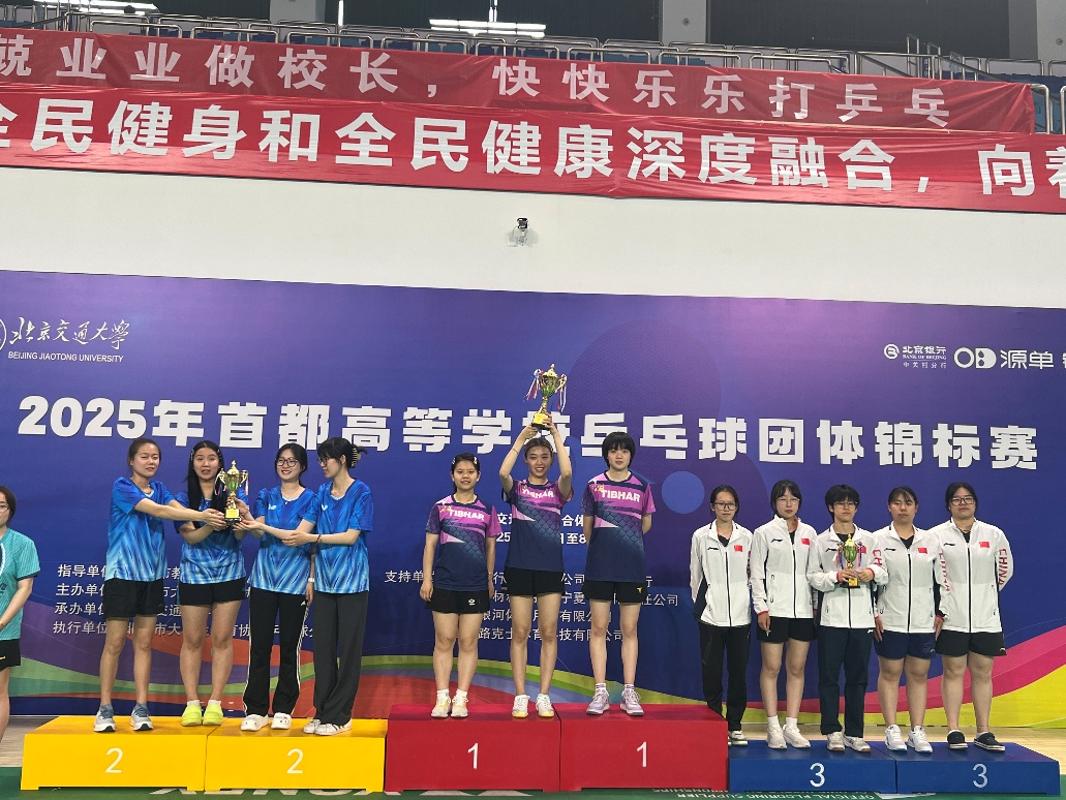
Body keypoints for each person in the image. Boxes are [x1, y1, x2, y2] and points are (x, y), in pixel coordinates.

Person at [96, 438, 225, 733]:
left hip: (152, 577)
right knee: (114, 643)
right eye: (144, 456)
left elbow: (174, 506)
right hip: (122, 575)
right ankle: (105, 708)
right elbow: (160, 512)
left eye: (155, 457)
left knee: (144, 644)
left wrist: (211, 513)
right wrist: (201, 515)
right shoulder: (122, 486)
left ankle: (141, 707)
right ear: (131, 461)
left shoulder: (162, 489)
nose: (151, 461)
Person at [287, 437, 374, 737]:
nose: (322, 464)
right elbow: (299, 532)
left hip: (353, 583)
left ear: (343, 460)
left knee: (348, 651)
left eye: (327, 459)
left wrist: (311, 539)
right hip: (324, 583)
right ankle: (323, 710)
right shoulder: (321, 492)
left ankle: (341, 715)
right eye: (321, 459)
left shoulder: (361, 492)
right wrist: (257, 524)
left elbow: (350, 536)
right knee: (323, 650)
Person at [236, 444, 316, 731]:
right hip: (263, 581)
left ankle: (283, 707)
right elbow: (258, 532)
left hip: (295, 583)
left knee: (289, 647)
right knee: (259, 646)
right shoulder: (265, 495)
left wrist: (311, 579)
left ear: (302, 466)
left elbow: (298, 537)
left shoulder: (312, 499)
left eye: (292, 461)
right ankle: (256, 709)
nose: (285, 465)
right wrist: (246, 514)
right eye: (281, 460)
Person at [931, 482, 1013, 752]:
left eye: (967, 498)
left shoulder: (993, 534)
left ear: (975, 502)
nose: (963, 503)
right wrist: (946, 603)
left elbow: (1004, 571)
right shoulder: (936, 536)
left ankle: (983, 731)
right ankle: (954, 729)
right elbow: (932, 574)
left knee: (983, 672)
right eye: (956, 499)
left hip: (985, 617)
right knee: (953, 671)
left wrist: (985, 594)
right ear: (948, 505)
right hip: (952, 616)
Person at [499, 422, 572, 719]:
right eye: (533, 457)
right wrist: (521, 440)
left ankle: (543, 695)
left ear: (550, 460)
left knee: (549, 632)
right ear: (526, 461)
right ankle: (520, 695)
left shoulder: (558, 490)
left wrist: (555, 435)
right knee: (520, 631)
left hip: (550, 569)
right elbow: (503, 473)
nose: (539, 462)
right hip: (519, 566)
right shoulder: (517, 489)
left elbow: (568, 473)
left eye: (544, 457)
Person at [807, 484, 886, 752]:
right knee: (829, 677)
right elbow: (813, 576)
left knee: (858, 678)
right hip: (832, 618)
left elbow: (883, 572)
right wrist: (835, 576)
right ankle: (832, 730)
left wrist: (870, 573)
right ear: (831, 507)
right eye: (841, 503)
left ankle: (854, 732)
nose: (846, 507)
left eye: (851, 503)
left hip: (862, 619)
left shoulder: (869, 540)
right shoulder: (821, 541)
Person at [582, 431, 656, 716]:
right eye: (613, 450)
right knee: (598, 628)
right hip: (600, 567)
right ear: (607, 455)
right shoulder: (594, 485)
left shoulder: (642, 486)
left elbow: (645, 524)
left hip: (631, 567)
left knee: (629, 629)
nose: (619, 455)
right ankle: (600, 691)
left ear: (630, 455)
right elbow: (588, 529)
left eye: (624, 450)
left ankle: (628, 691)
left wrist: (627, 543)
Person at [421, 453, 500, 719]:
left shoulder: (487, 509)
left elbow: (491, 548)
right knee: (444, 640)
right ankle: (442, 697)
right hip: (445, 582)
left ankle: (461, 697)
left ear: (478, 476)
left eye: (470, 472)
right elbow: (430, 545)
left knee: (468, 641)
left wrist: (489, 578)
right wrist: (428, 579)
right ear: (452, 475)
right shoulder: (440, 507)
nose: (465, 476)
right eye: (460, 472)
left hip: (475, 585)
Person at [175, 440, 247, 727]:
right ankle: (192, 703)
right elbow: (191, 538)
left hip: (229, 573)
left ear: (221, 463)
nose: (206, 464)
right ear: (192, 463)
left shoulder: (234, 493)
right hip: (194, 575)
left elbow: (240, 537)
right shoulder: (182, 498)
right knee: (192, 640)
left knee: (222, 639)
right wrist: (208, 525)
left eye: (212, 459)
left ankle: (216, 703)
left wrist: (240, 521)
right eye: (200, 459)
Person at [873, 486, 940, 753]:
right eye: (898, 503)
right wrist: (874, 612)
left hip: (923, 620)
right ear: (889, 507)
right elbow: (872, 581)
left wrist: (941, 612)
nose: (903, 507)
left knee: (919, 674)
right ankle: (891, 728)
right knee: (890, 673)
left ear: (916, 507)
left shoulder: (931, 540)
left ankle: (917, 730)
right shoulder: (877, 540)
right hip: (890, 618)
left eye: (908, 503)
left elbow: (942, 580)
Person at [750, 480, 817, 749]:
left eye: (793, 499)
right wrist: (762, 607)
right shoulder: (763, 532)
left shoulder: (810, 533)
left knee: (797, 668)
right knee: (772, 667)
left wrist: (813, 606)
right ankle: (773, 726)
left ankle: (791, 725)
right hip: (774, 611)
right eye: (783, 499)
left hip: (802, 611)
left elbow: (813, 573)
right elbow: (756, 573)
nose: (788, 504)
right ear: (774, 503)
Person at [690, 485, 753, 745]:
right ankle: (715, 722)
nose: (726, 509)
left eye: (730, 504)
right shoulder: (701, 536)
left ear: (736, 507)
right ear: (712, 507)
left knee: (738, 673)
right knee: (712, 672)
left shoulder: (747, 536)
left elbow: (753, 573)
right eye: (721, 504)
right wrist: (702, 605)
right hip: (711, 615)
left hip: (740, 616)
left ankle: (735, 724)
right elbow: (695, 574)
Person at [0, 486, 39, 745]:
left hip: (4, 630)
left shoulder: (22, 544)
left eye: (1, 506)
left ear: (10, 511)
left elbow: (25, 588)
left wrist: (2, 622)